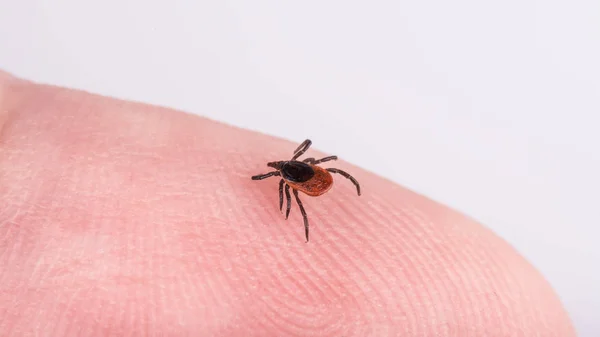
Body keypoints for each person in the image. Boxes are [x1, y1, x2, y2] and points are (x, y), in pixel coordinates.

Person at [0, 70, 575, 336]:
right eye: (285, 173)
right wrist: (319, 183)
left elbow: (315, 177)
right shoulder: (310, 170)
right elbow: (325, 171)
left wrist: (297, 190)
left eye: (285, 170)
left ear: (297, 170)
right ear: (299, 171)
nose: (285, 170)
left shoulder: (300, 178)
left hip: (321, 189)